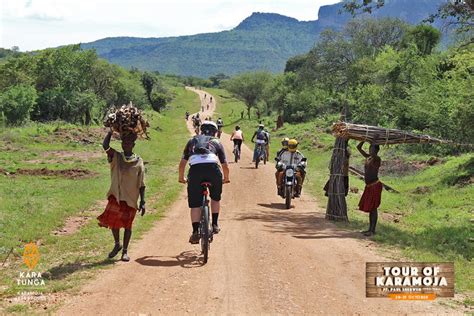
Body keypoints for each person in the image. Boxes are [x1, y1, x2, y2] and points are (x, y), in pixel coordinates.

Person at [178, 121, 230, 244]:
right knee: (215, 198)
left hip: (195, 172)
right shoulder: (217, 142)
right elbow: (225, 165)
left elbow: (182, 164)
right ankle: (215, 224)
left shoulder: (192, 141)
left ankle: (195, 231)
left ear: (201, 130)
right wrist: (226, 178)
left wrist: (181, 178)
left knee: (196, 204)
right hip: (213, 170)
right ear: (215, 132)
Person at [98, 131, 146, 262]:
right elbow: (105, 146)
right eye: (124, 143)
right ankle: (117, 244)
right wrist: (110, 131)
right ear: (122, 144)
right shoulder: (116, 157)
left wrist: (143, 201)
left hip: (131, 198)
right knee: (114, 222)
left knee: (128, 225)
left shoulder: (139, 161)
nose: (126, 145)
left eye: (129, 143)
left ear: (133, 144)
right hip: (117, 195)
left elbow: (142, 184)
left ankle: (125, 251)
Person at [357, 142, 382, 236]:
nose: (370, 150)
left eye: (372, 148)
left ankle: (372, 230)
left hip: (375, 185)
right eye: (370, 148)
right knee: (371, 208)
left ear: (376, 150)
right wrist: (364, 139)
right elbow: (358, 147)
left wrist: (375, 140)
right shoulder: (368, 157)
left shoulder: (377, 159)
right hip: (369, 186)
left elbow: (375, 155)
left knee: (373, 208)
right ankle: (370, 229)